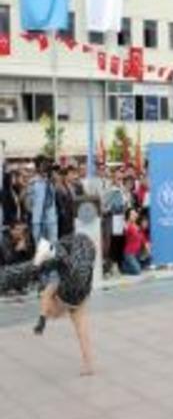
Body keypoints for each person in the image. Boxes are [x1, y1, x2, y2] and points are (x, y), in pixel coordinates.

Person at [0, 234, 96, 376]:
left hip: (71, 251)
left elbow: (46, 295)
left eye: (51, 314)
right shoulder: (76, 308)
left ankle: (5, 278)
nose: (52, 315)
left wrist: (42, 320)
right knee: (51, 266)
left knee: (36, 267)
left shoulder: (58, 293)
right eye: (52, 314)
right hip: (81, 252)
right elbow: (83, 334)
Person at [28, 156, 58, 244]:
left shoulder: (51, 182)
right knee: (39, 245)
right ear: (38, 168)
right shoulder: (33, 182)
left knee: (53, 244)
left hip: (51, 219)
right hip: (38, 220)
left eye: (47, 165)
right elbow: (28, 202)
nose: (46, 168)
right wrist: (34, 211)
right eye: (44, 165)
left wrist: (51, 177)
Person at [121, 209, 146, 275]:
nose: (134, 215)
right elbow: (124, 227)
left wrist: (146, 247)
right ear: (128, 216)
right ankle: (123, 268)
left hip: (137, 253)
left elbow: (142, 239)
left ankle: (128, 264)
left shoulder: (138, 226)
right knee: (137, 271)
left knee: (145, 264)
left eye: (135, 214)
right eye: (132, 214)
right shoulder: (127, 225)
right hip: (129, 253)